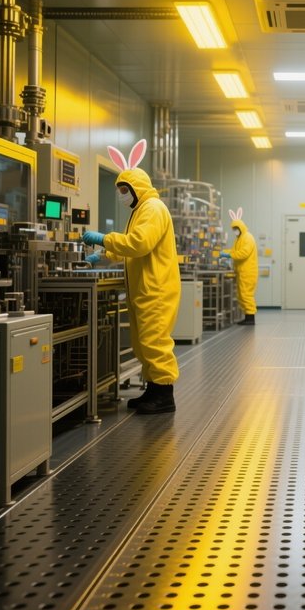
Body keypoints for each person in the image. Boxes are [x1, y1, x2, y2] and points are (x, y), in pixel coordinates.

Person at [83, 140, 181, 414]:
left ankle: (164, 394)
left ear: (138, 188)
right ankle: (153, 389)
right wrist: (103, 254)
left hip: (155, 289)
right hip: (144, 288)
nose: (122, 195)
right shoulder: (140, 211)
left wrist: (104, 238)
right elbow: (130, 247)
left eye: (125, 190)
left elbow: (138, 244)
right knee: (143, 343)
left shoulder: (152, 208)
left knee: (155, 342)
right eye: (120, 190)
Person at [220, 207, 258, 326]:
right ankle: (247, 316)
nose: (235, 230)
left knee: (246, 295)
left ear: (241, 227)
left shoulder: (247, 237)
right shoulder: (239, 239)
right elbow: (235, 251)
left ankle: (250, 318)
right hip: (242, 271)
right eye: (234, 229)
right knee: (241, 295)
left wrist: (229, 255)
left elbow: (243, 253)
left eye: (236, 228)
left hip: (248, 272)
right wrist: (223, 252)